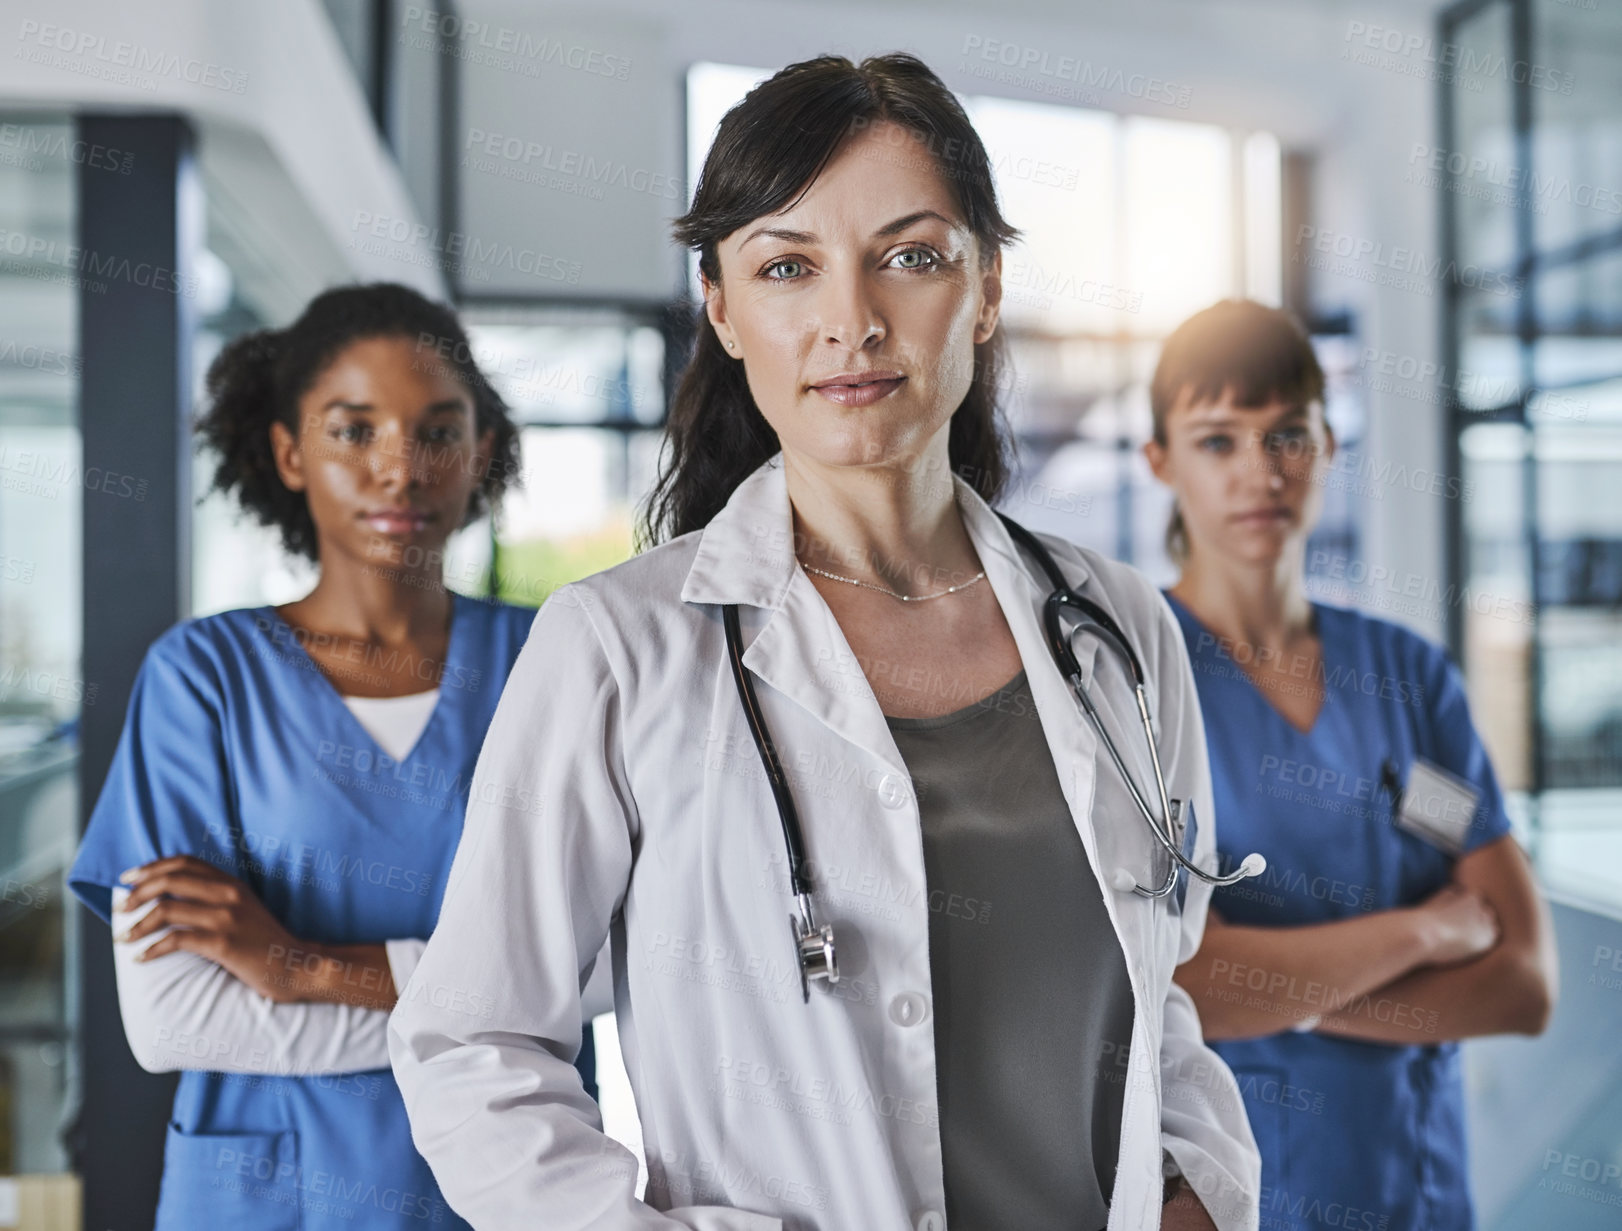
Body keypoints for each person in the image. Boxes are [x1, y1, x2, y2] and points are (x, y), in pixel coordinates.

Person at [389, 55, 1260, 1231]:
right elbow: (472, 1041)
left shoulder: (1118, 631)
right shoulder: (618, 648)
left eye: (910, 256)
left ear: (986, 288)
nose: (851, 321)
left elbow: (1153, 995)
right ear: (722, 307)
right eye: (787, 267)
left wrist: (1190, 1190)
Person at [67, 283, 600, 1230]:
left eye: (438, 432)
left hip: (510, 1189)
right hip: (268, 1197)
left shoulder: (561, 658)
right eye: (354, 431)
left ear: (480, 452)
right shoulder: (202, 678)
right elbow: (177, 1017)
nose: (400, 470)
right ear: (289, 452)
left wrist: (299, 964)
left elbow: (610, 968)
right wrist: (486, 1005)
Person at [1145, 299, 1558, 1231]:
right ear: (1161, 462)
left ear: (1329, 444)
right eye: (1219, 441)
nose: (1260, 470)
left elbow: (1525, 981)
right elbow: (1171, 982)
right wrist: (1422, 934)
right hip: (1228, 1201)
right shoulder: (1134, 674)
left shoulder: (1407, 680)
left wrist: (1281, 995)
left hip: (1415, 1191)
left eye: (1287, 433)